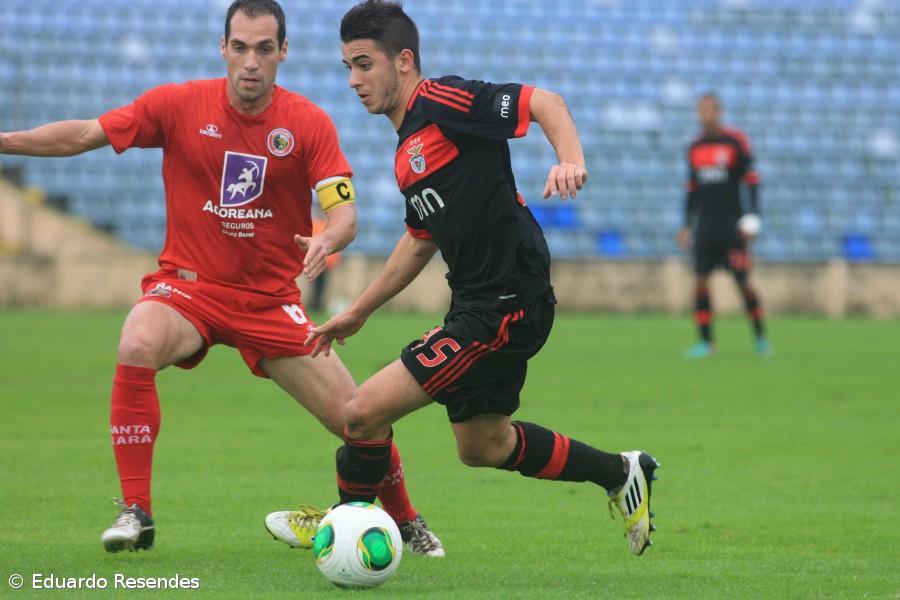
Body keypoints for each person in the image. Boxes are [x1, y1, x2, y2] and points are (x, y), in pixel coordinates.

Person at [0, 0, 443, 557]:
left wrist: (329, 236)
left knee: (361, 416)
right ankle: (137, 512)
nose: (251, 62)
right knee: (137, 340)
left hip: (268, 302)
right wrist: (6, 142)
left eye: (263, 48)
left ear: (283, 51)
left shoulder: (306, 123)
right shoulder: (178, 105)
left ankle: (405, 520)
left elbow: (344, 211)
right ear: (223, 49)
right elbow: (85, 133)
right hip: (189, 291)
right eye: (240, 47)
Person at [292, 0, 660, 556]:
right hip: (481, 302)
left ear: (404, 61)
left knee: (362, 413)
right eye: (348, 66)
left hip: (506, 300)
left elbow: (544, 101)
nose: (353, 80)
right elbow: (419, 241)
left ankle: (343, 528)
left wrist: (569, 158)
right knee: (483, 445)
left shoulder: (444, 100)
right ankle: (620, 471)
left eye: (364, 64)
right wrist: (359, 310)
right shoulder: (405, 152)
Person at [678, 92, 771, 359]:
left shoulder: (735, 142)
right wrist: (686, 225)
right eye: (701, 110)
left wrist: (752, 217)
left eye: (710, 109)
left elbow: (751, 180)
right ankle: (706, 343)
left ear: (719, 111)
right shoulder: (695, 147)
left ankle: (761, 338)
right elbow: (692, 190)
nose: (705, 114)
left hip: (732, 225)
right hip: (705, 226)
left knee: (742, 282)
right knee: (701, 281)